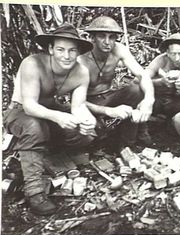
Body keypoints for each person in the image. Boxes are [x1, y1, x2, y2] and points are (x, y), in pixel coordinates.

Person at [3, 23, 97, 215]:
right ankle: (35, 192)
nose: (66, 56)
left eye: (72, 51)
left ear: (78, 52)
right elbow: (29, 105)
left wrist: (88, 122)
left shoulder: (81, 72)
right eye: (60, 49)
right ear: (51, 49)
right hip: (20, 112)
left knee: (85, 135)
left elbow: (78, 107)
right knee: (35, 128)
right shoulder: (33, 63)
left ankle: (45, 153)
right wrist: (58, 116)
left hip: (49, 112)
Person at [78, 16, 154, 148]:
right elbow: (75, 101)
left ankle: (127, 145)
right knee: (91, 132)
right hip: (88, 103)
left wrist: (149, 100)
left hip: (109, 95)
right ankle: (104, 137)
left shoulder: (119, 50)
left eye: (112, 37)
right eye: (102, 36)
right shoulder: (81, 60)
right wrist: (109, 111)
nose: (107, 42)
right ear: (92, 37)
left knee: (136, 89)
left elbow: (143, 74)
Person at [144, 33, 180, 150]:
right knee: (136, 92)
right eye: (173, 54)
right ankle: (142, 130)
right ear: (167, 53)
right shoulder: (160, 61)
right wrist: (160, 82)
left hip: (175, 102)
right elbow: (139, 80)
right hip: (156, 100)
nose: (177, 58)